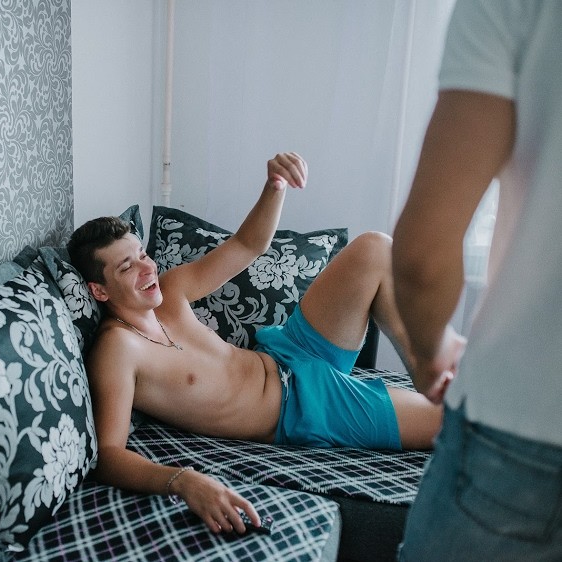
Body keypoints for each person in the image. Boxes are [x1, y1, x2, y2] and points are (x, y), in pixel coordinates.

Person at [68, 152, 441, 535]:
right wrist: (183, 480)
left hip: (290, 350)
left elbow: (248, 244)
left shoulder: (172, 290)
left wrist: (274, 185)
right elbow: (109, 456)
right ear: (99, 290)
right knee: (452, 420)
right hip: (302, 408)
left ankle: (424, 367)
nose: (147, 268)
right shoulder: (118, 349)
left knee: (374, 248)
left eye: (143, 255)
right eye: (127, 267)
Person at [393, 1, 562, 559]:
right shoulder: (151, 329)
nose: (155, 267)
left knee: (371, 248)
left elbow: (420, 256)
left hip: (523, 414)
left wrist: (429, 353)